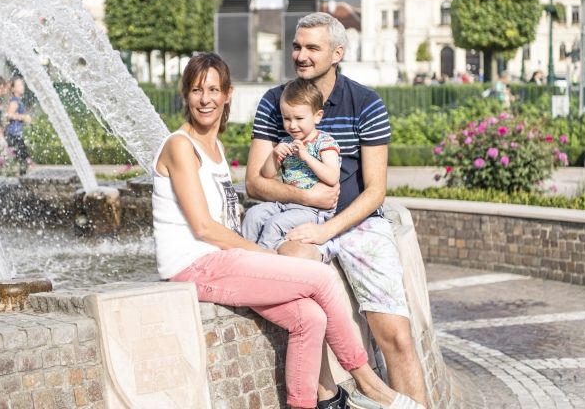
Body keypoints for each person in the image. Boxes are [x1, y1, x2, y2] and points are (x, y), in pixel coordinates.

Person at [153, 52, 421, 409]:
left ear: (228, 94)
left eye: (214, 90)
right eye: (197, 90)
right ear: (185, 94)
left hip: (222, 261)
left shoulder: (214, 148)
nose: (206, 99)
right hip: (195, 266)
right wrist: (264, 256)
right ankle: (368, 383)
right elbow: (204, 227)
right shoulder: (179, 146)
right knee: (319, 278)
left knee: (309, 317)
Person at [246, 12, 427, 407]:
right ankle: (329, 392)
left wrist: (329, 230)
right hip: (302, 218)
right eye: (297, 46)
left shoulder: (366, 103)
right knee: (293, 268)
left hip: (358, 223)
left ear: (337, 52)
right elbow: (255, 183)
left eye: (312, 47)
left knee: (396, 336)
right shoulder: (274, 102)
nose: (301, 55)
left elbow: (375, 191)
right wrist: (309, 201)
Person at [242, 78, 341, 256]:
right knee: (253, 215)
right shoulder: (286, 142)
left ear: (317, 116)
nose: (292, 125)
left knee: (275, 224)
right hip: (285, 203)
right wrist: (274, 156)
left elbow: (332, 177)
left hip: (313, 211)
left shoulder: (325, 143)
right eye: (286, 118)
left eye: (299, 118)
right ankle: (243, 254)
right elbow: (267, 174)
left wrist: (306, 156)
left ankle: (262, 261)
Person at [5, 75, 32, 167]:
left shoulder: (18, 101)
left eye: (23, 85)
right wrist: (23, 117)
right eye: (19, 85)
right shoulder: (15, 101)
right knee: (24, 158)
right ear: (13, 89)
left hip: (17, 134)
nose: (22, 87)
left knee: (22, 159)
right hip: (14, 135)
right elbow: (8, 115)